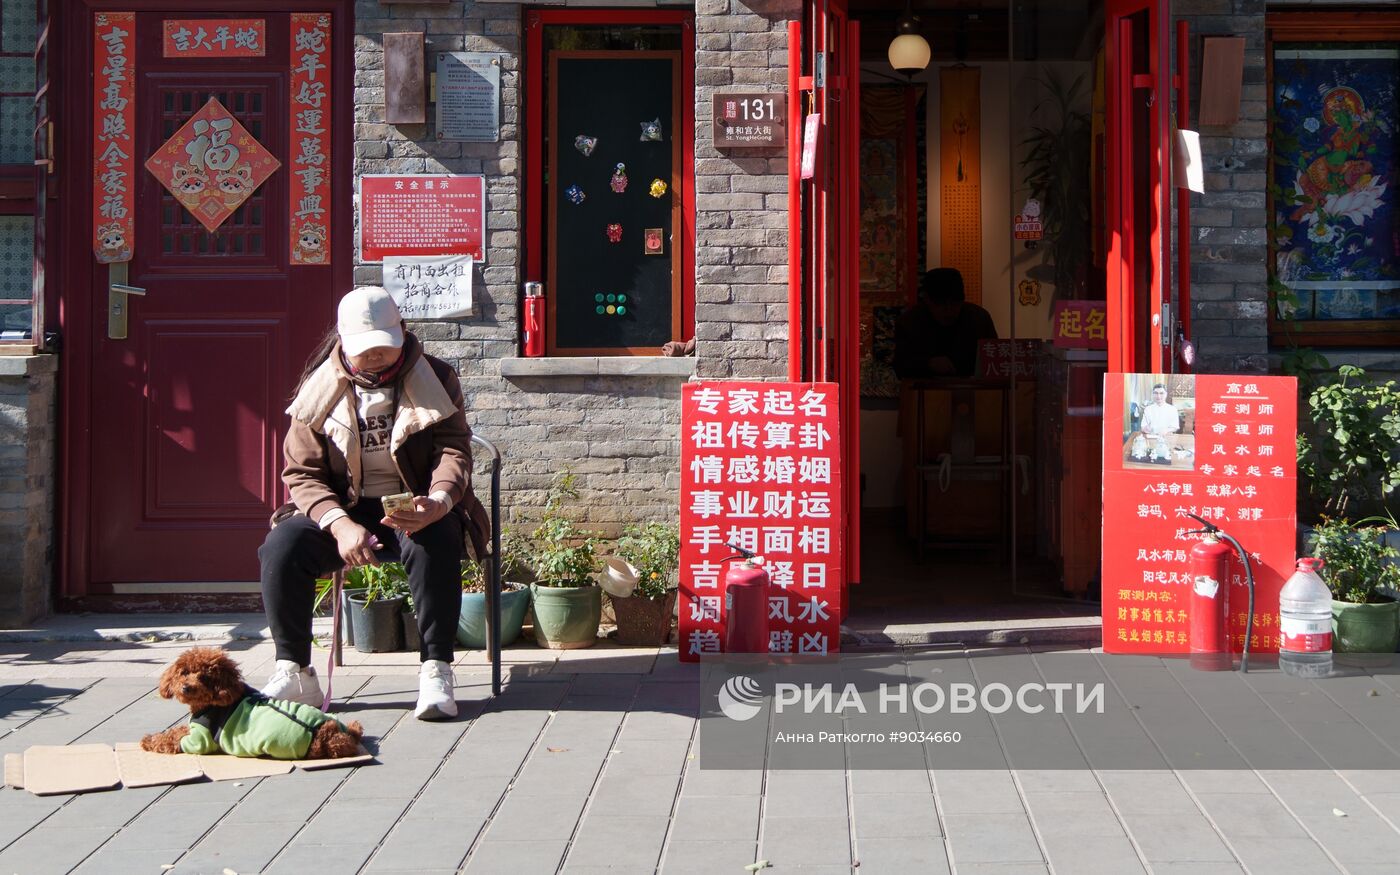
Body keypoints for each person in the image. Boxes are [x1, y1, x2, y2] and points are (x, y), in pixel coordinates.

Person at [258, 287, 489, 720]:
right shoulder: (319, 388)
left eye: (386, 345)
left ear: (402, 331)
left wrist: (438, 501)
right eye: (366, 350)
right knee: (283, 547)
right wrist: (340, 525)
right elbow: (301, 474)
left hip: (415, 504)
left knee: (434, 538)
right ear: (343, 342)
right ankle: (294, 670)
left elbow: (454, 450)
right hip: (344, 509)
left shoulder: (437, 378)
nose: (377, 357)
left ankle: (436, 668)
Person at [893, 268, 998, 378]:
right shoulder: (910, 322)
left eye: (955, 303)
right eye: (941, 304)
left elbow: (994, 361)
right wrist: (927, 363)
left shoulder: (979, 318)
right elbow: (900, 367)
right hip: (925, 390)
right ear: (927, 300)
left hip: (973, 391)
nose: (949, 310)